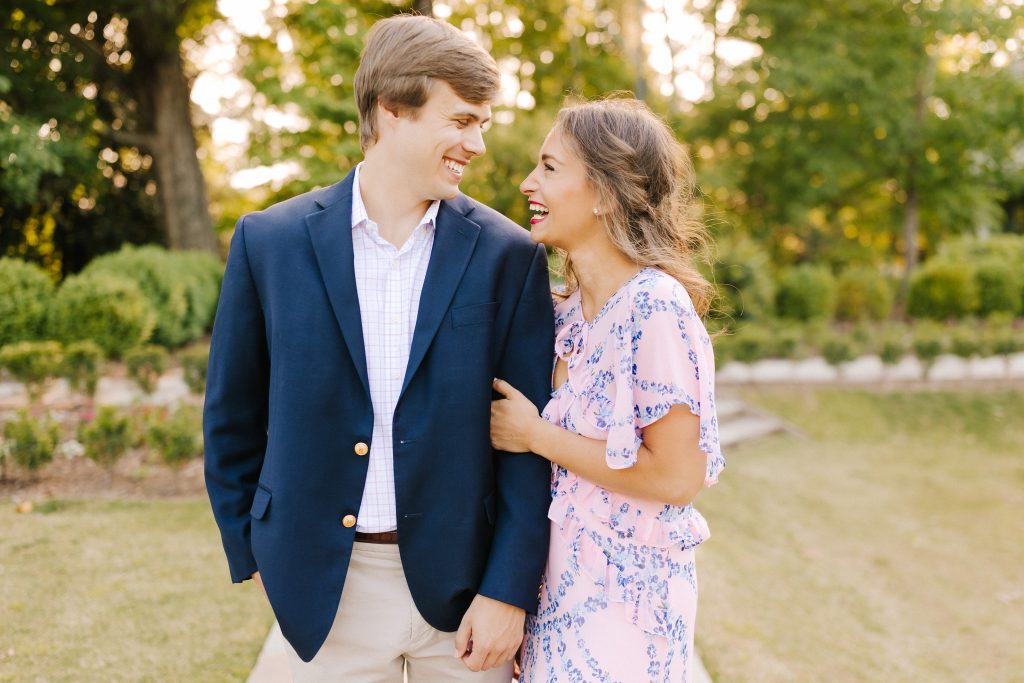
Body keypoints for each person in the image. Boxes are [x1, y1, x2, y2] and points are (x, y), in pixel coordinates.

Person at [203, 15, 554, 681]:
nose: (477, 142)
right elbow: (231, 416)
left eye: (482, 122)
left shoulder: (509, 256)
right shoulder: (268, 242)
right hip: (322, 593)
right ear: (392, 108)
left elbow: (527, 447)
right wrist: (253, 552)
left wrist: (508, 587)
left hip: (465, 599)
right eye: (462, 120)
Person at [490, 98, 726, 682]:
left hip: (628, 608)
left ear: (603, 191)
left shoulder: (655, 308)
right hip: (561, 594)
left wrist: (534, 435)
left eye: (549, 167)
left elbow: (677, 478)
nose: (527, 183)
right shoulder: (565, 317)